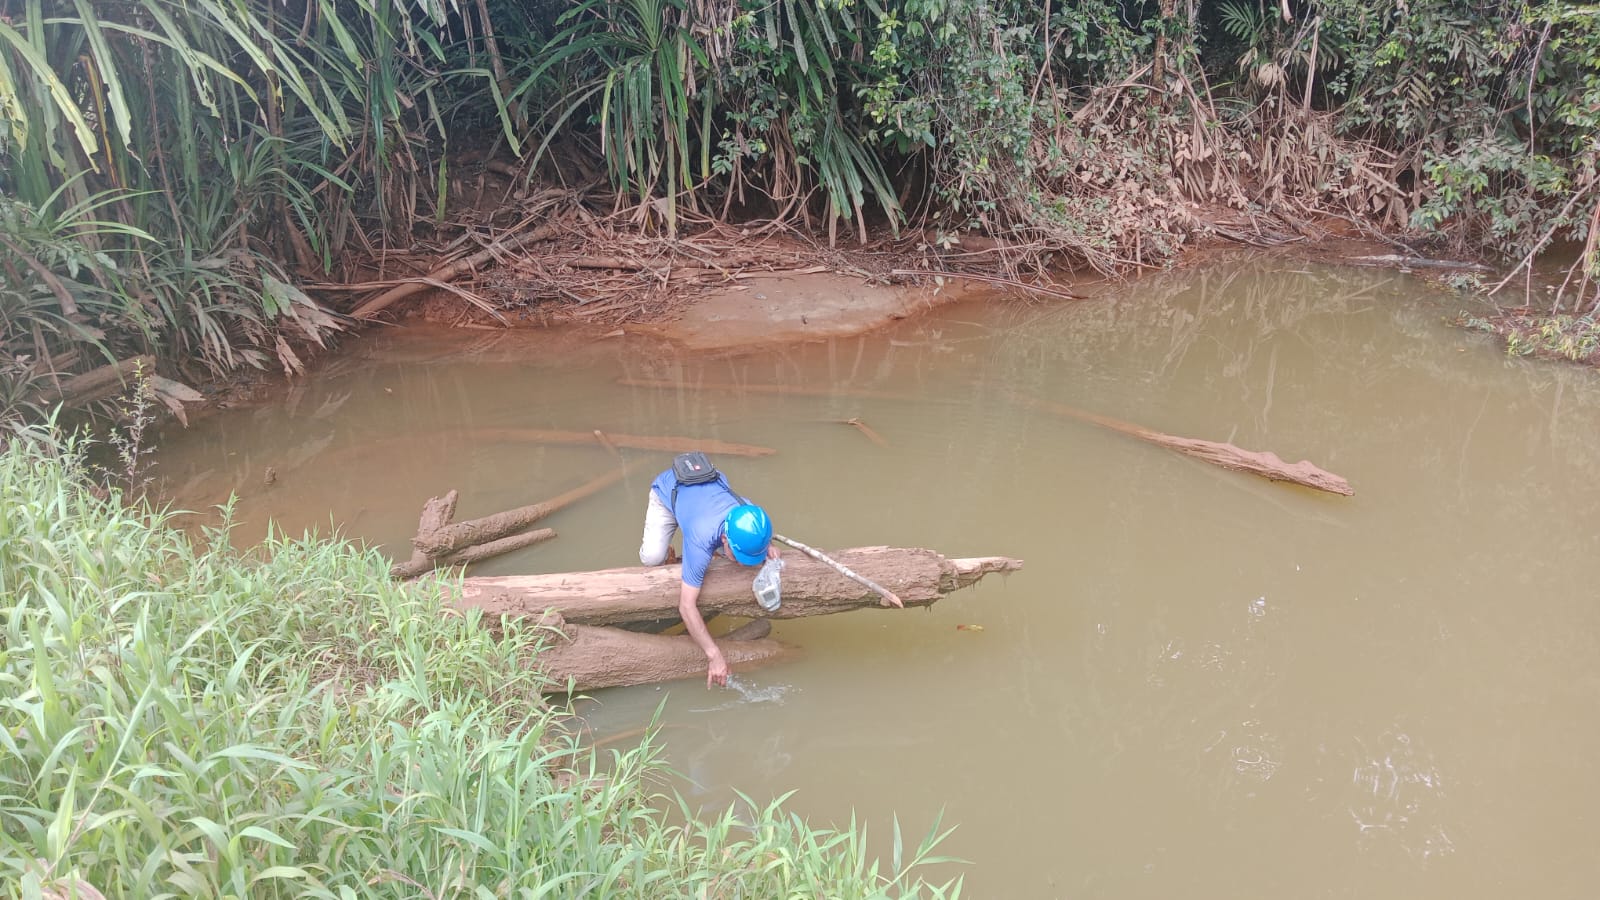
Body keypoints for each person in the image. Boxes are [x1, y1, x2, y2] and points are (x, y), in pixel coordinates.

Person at [639, 461, 779, 688]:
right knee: (652, 559)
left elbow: (758, 533)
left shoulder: (749, 512)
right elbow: (686, 606)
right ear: (724, 539)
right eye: (740, 555)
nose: (745, 564)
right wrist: (714, 655)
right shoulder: (701, 538)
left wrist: (766, 547)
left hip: (704, 496)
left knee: (728, 555)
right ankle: (668, 555)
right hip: (669, 493)